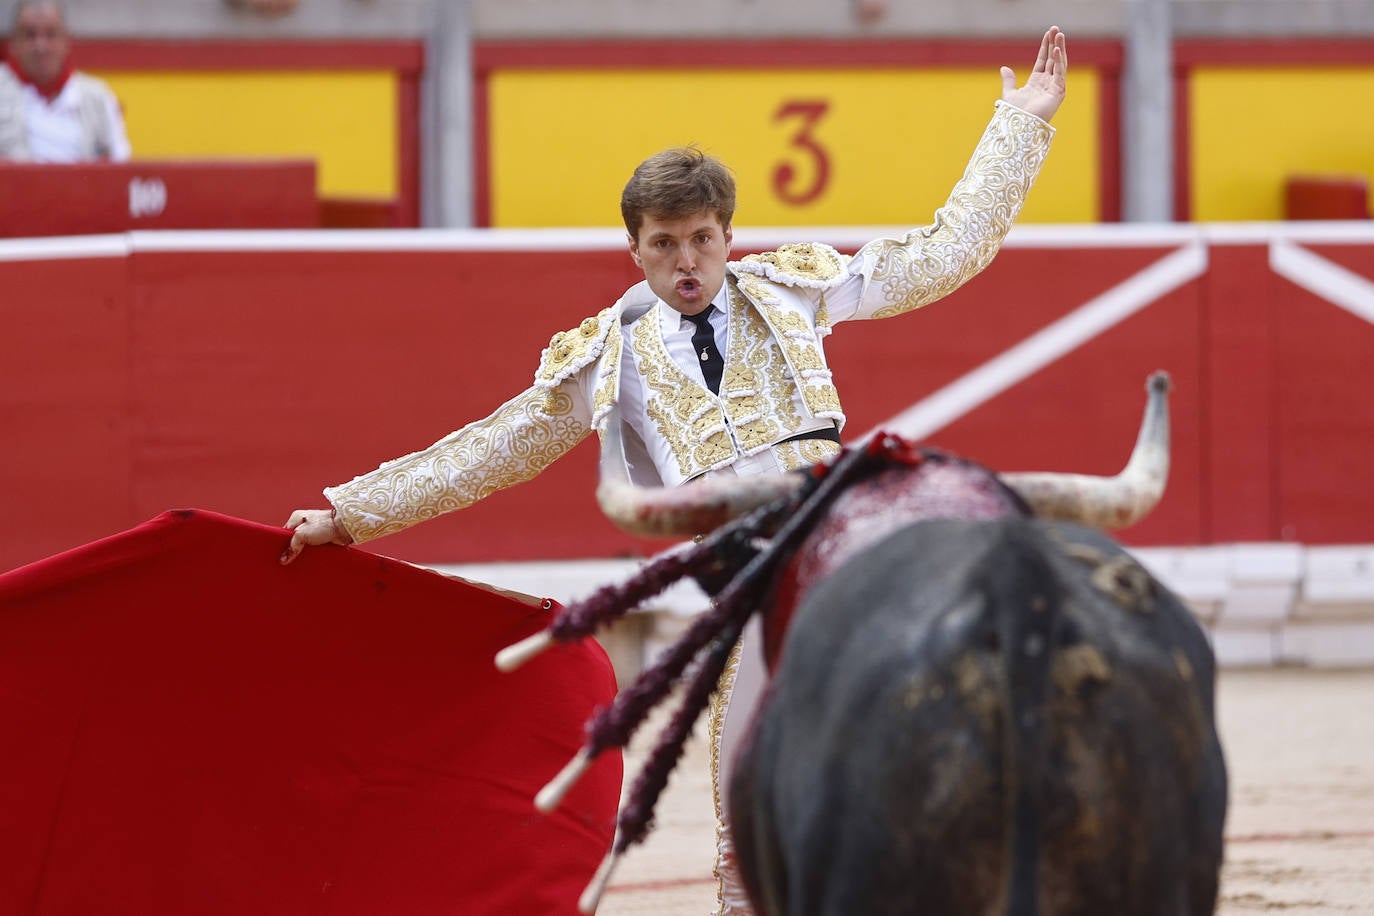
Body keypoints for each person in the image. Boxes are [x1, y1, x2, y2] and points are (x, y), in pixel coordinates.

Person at [284, 26, 1067, 915]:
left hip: (849, 552)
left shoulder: (793, 291)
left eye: (701, 239)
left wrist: (1019, 126)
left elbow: (941, 254)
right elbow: (489, 448)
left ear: (729, 237)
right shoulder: (606, 359)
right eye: (664, 244)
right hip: (746, 588)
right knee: (746, 806)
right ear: (636, 248)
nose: (686, 262)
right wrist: (352, 515)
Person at [0, 0, 131, 162]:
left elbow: (119, 169)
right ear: (13, 42)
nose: (41, 46)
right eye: (30, 35)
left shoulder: (98, 97)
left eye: (51, 34)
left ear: (67, 41)